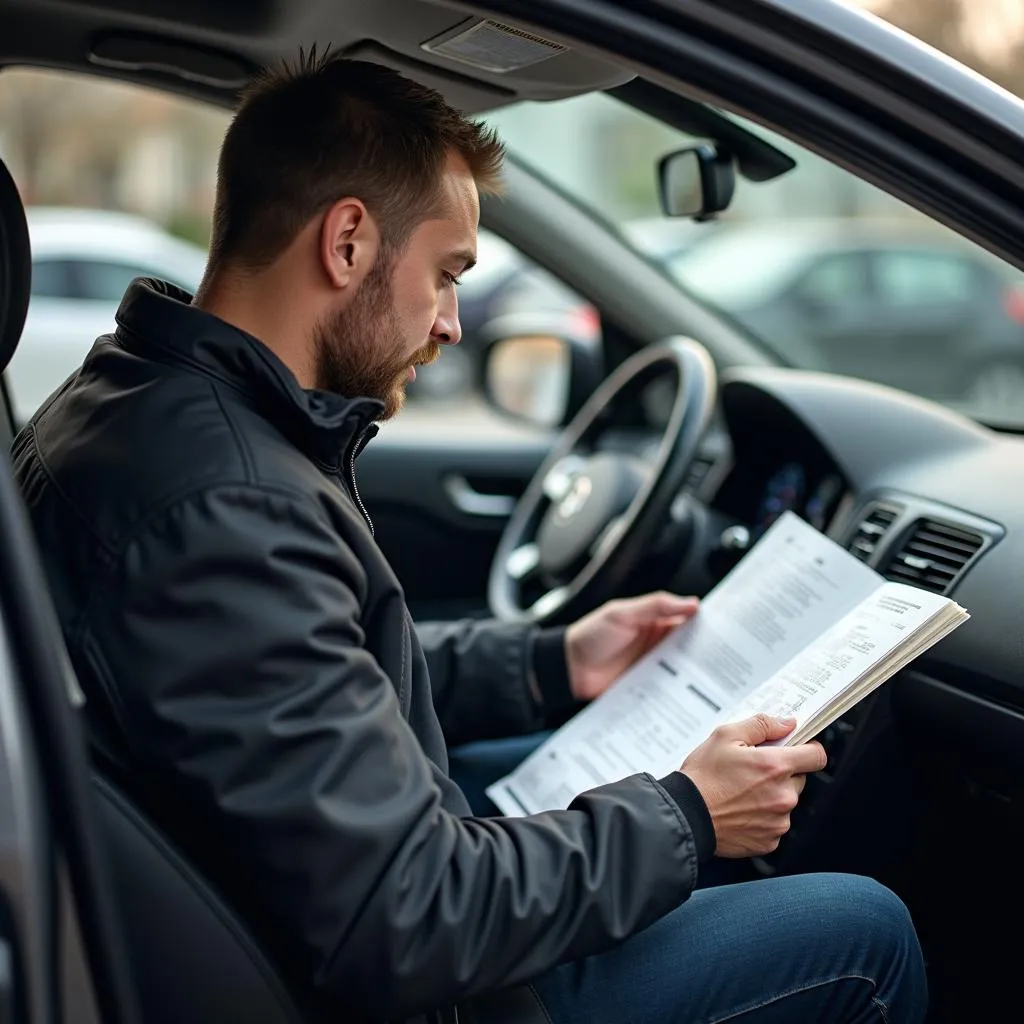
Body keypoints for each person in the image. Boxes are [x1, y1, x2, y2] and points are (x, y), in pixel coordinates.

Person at [12, 50, 927, 1024]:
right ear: (350, 242)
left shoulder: (129, 405)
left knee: (565, 756)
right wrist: (692, 816)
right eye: (447, 274)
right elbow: (407, 914)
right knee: (867, 929)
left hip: (314, 909)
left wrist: (547, 663)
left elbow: (308, 684)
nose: (452, 322)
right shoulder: (229, 505)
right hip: (419, 986)